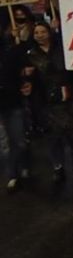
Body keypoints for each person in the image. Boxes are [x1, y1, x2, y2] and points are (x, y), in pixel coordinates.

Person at [23, 22, 73, 186]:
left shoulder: (62, 50)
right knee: (52, 136)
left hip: (67, 97)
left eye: (43, 31)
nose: (40, 35)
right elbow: (29, 80)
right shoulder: (30, 55)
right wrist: (26, 75)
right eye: (36, 32)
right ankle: (58, 167)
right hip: (46, 100)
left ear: (49, 32)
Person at [1, 24, 27, 192]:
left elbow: (22, 61)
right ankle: (12, 174)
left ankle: (23, 164)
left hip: (13, 101)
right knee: (4, 143)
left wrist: (19, 40)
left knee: (18, 139)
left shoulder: (10, 51)